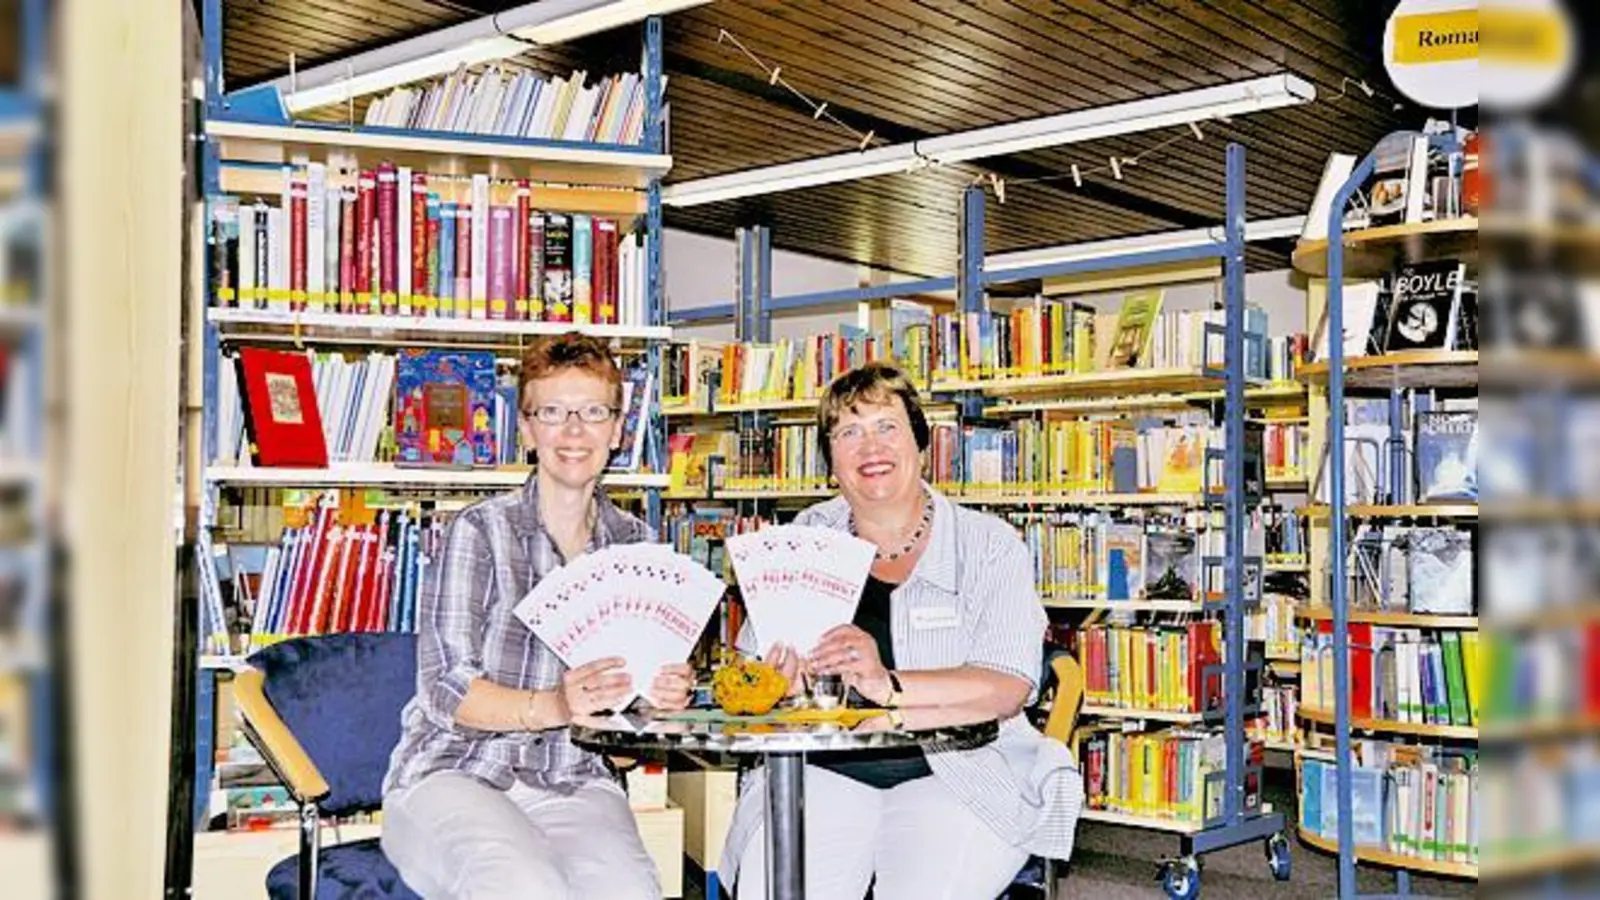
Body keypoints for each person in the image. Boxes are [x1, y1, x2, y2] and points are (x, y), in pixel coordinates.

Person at [720, 361, 1084, 900]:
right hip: (822, 769)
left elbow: (1008, 686)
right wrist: (776, 679)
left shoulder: (989, 545)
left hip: (959, 772)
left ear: (920, 442)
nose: (871, 448)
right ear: (831, 461)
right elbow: (751, 670)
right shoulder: (802, 537)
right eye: (848, 432)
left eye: (887, 426)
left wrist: (887, 681)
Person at [381, 331, 694, 900]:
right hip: (455, 772)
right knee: (525, 887)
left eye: (593, 412)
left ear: (619, 429)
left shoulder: (640, 548)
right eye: (552, 411)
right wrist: (555, 705)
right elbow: (446, 691)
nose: (574, 431)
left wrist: (657, 700)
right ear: (525, 428)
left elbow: (626, 738)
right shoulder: (478, 531)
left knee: (633, 893)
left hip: (575, 778)